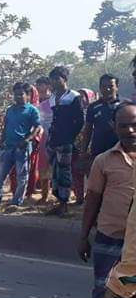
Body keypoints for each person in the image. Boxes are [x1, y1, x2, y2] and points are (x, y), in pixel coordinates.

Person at [77, 102, 136, 298]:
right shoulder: (104, 161)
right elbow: (93, 201)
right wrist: (83, 235)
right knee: (105, 291)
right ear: (114, 127)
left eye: (134, 123)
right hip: (111, 239)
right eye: (123, 124)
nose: (130, 130)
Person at [0, 83, 41, 207]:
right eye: (16, 94)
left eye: (21, 94)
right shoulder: (10, 109)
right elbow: (6, 126)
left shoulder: (32, 110)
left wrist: (27, 139)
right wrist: (2, 140)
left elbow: (37, 127)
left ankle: (16, 202)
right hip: (8, 148)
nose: (18, 96)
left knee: (22, 177)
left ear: (27, 95)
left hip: (22, 149)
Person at [47, 66, 84, 217]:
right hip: (53, 141)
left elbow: (80, 120)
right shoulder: (52, 97)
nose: (54, 82)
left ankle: (65, 204)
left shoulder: (73, 96)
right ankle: (59, 201)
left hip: (66, 141)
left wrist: (70, 136)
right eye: (52, 79)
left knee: (65, 173)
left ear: (65, 79)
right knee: (55, 173)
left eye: (57, 78)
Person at [80, 74, 120, 165]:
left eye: (111, 86)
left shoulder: (125, 105)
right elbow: (88, 130)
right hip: (99, 152)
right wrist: (83, 151)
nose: (107, 89)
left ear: (117, 87)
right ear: (100, 88)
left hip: (120, 151)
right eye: (104, 86)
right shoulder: (93, 107)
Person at [34, 77, 54, 203]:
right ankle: (45, 195)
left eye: (41, 85)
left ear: (48, 86)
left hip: (55, 137)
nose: (39, 87)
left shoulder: (55, 101)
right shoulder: (37, 105)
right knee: (43, 166)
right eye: (38, 85)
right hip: (43, 138)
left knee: (56, 167)